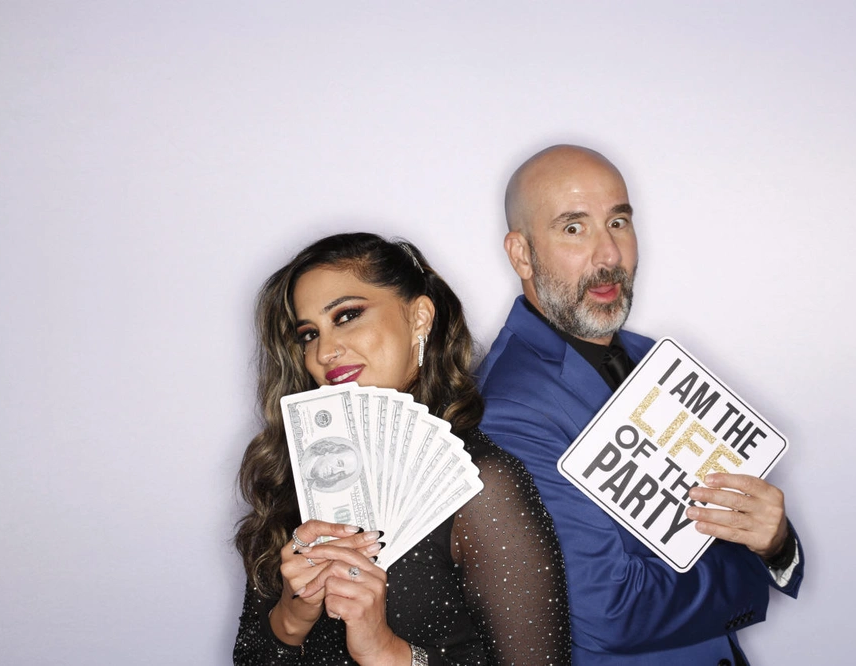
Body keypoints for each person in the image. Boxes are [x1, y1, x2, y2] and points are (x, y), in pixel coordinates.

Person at [477, 145, 804, 665]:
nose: (609, 255)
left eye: (618, 222)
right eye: (574, 228)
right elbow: (609, 609)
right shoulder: (508, 406)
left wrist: (776, 542)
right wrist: (754, 567)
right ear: (521, 254)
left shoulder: (652, 356)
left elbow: (718, 516)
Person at [234, 232, 571, 665]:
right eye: (309, 334)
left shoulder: (482, 485)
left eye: (347, 315)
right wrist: (291, 618)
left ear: (419, 318)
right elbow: (249, 656)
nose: (324, 351)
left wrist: (388, 652)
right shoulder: (302, 469)